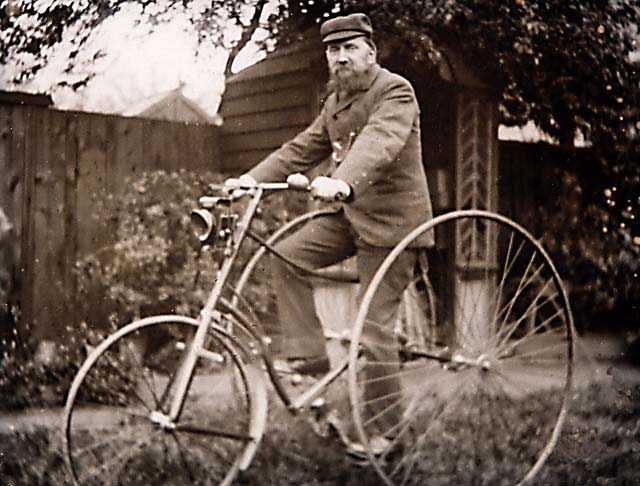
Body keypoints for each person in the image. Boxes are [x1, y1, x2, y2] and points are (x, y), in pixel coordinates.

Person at [226, 12, 434, 453]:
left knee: (373, 331)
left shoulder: (395, 91)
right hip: (350, 218)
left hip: (394, 227)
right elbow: (303, 147)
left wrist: (344, 180)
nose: (340, 58)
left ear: (371, 52)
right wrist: (251, 178)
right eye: (333, 50)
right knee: (284, 255)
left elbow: (380, 141)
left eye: (350, 48)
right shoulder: (335, 101)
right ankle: (308, 356)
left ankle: (386, 435)